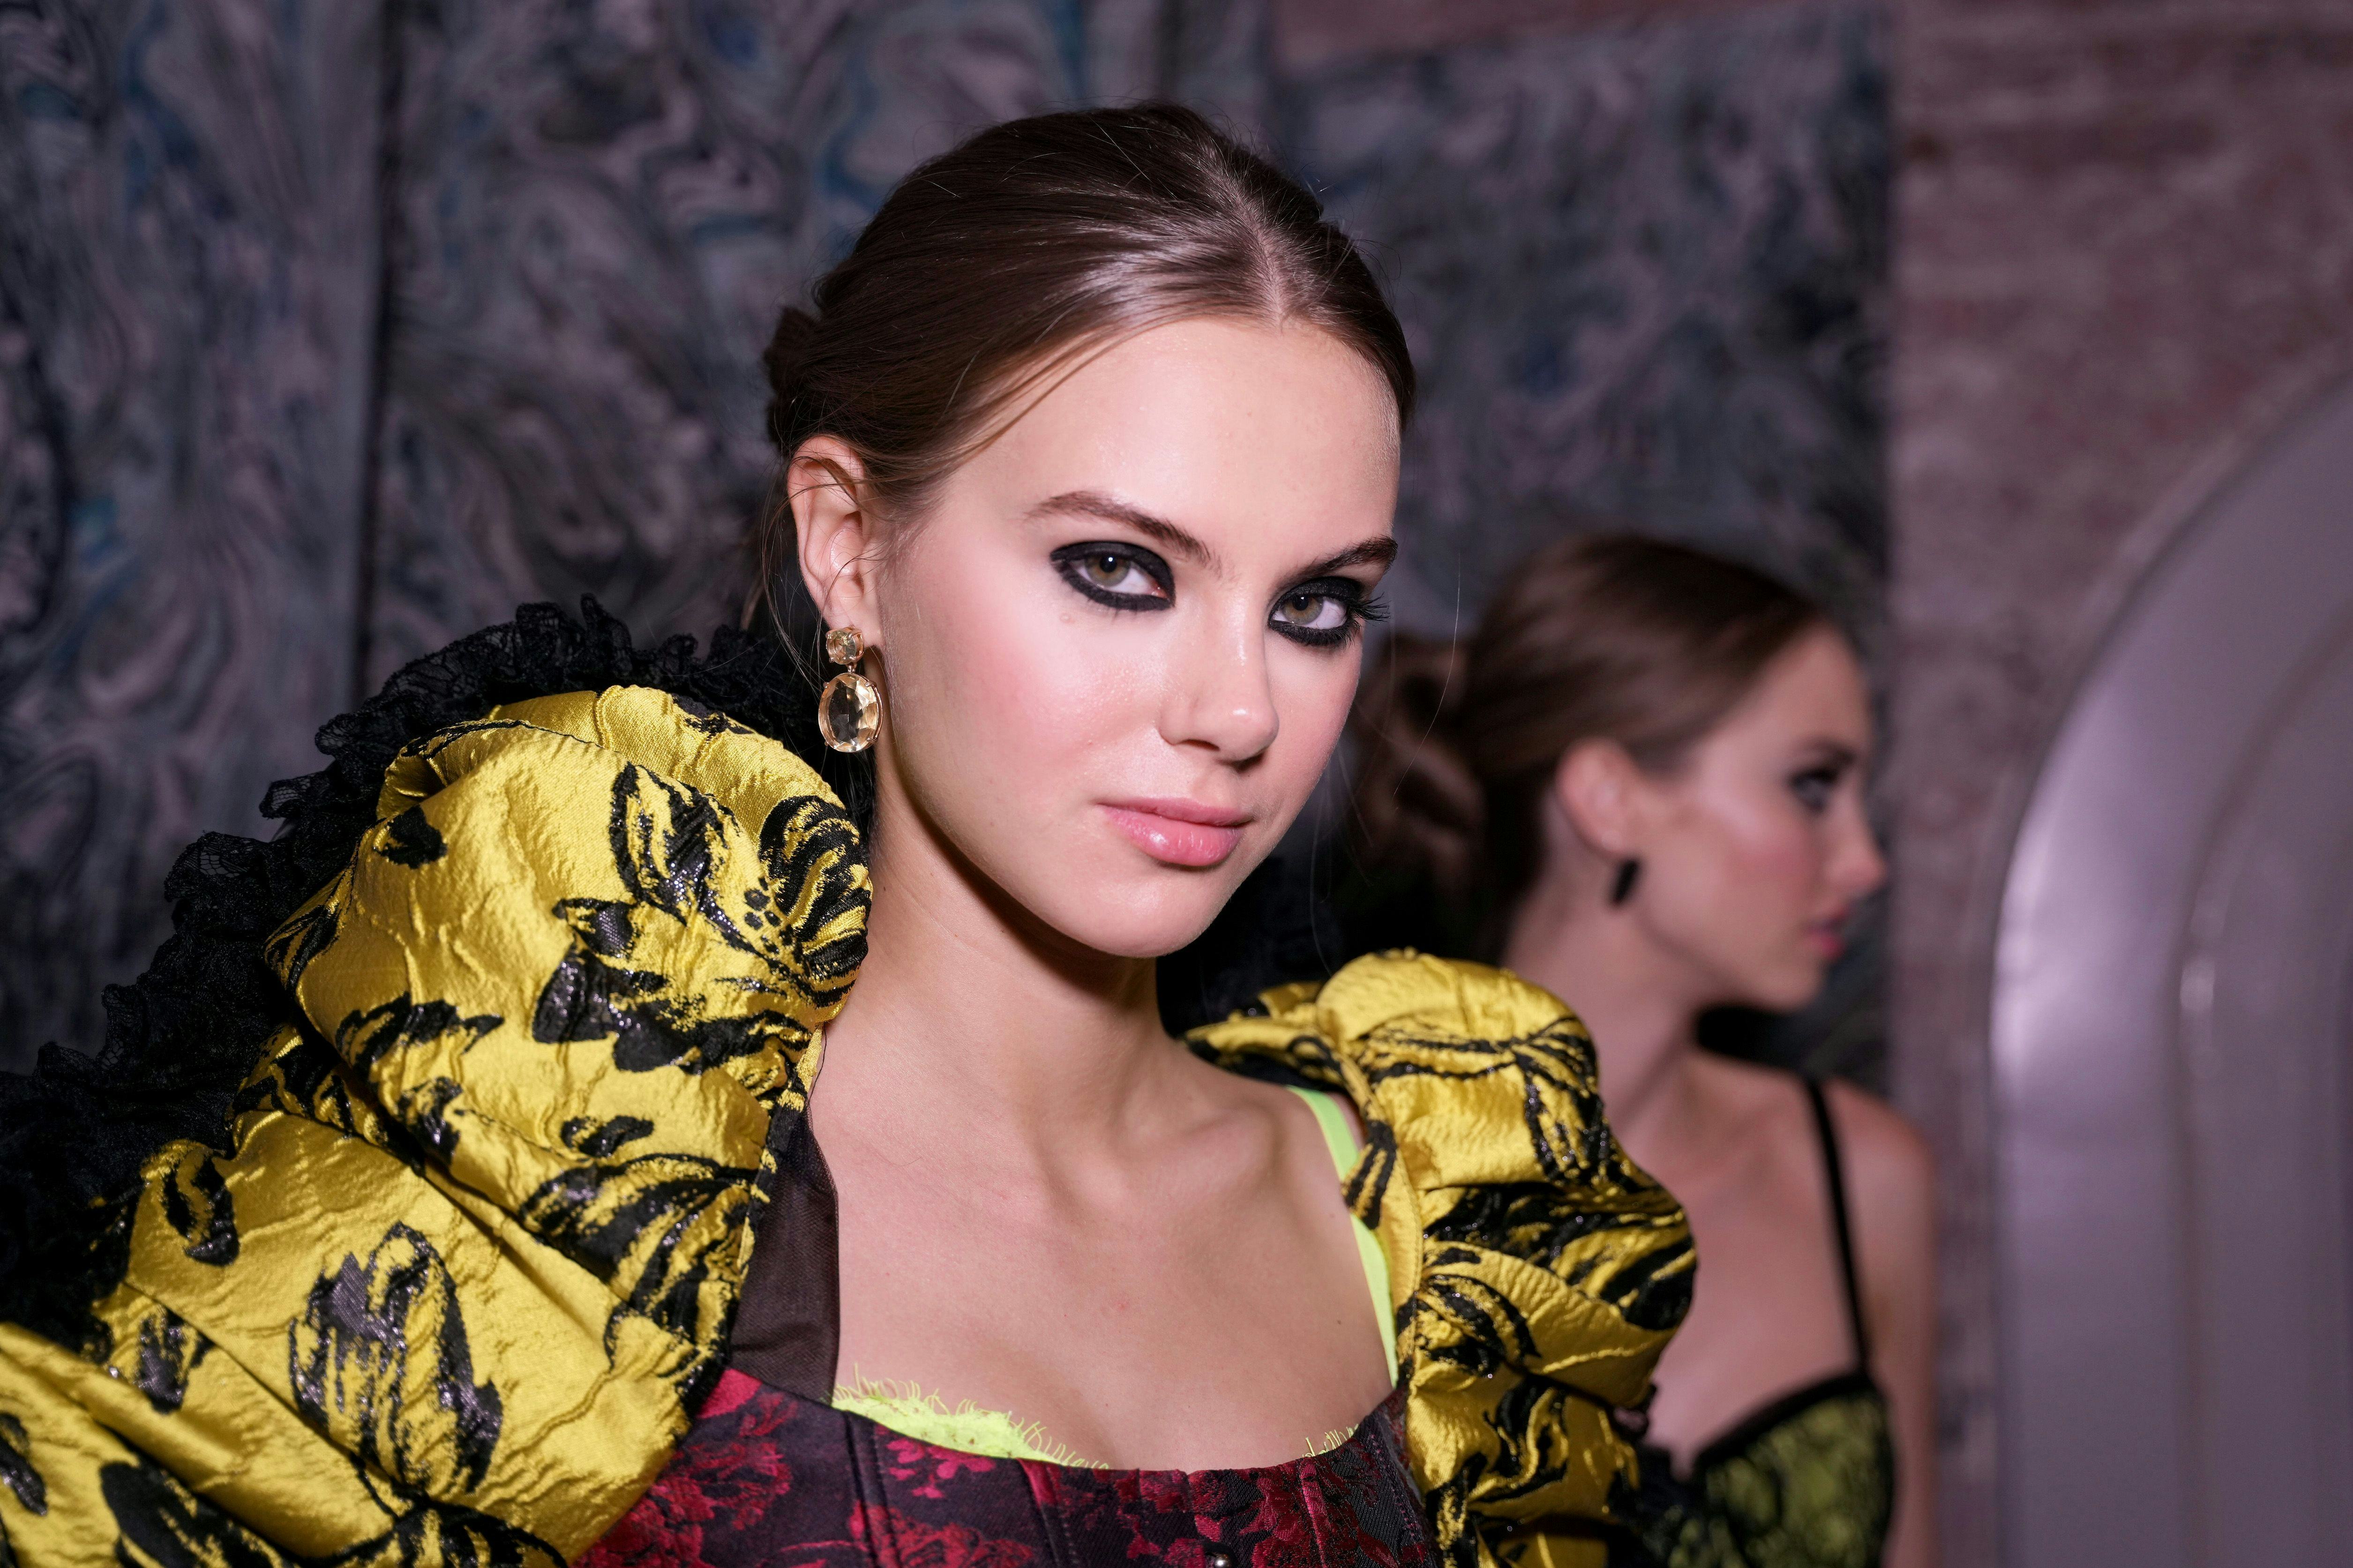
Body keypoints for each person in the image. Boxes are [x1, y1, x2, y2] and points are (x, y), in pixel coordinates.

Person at [0, 108, 1692, 1568]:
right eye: (1122, 568)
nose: (1240, 709)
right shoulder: (560, 1154)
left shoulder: (1447, 1222)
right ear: (847, 548)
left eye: (1319, 605)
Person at [1349, 535, 1937, 1568]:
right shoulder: (1335, 1171)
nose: (1864, 859)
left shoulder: (1859, 1172)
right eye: (1811, 784)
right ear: (1609, 798)